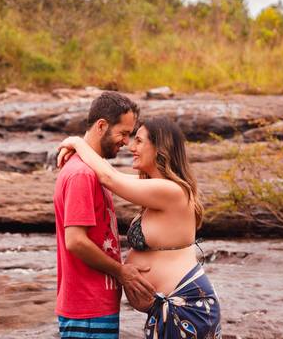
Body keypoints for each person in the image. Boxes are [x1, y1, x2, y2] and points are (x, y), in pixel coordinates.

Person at [58, 117, 221, 339]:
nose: (131, 147)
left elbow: (109, 178)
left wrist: (78, 143)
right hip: (169, 307)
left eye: (139, 141)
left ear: (160, 148)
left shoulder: (171, 191)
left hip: (186, 306)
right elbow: (110, 173)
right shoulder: (157, 187)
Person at [53, 91, 156, 339]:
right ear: (101, 126)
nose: (126, 142)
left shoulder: (93, 170)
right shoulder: (82, 174)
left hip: (95, 305)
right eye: (123, 133)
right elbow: (75, 241)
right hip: (87, 309)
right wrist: (121, 272)